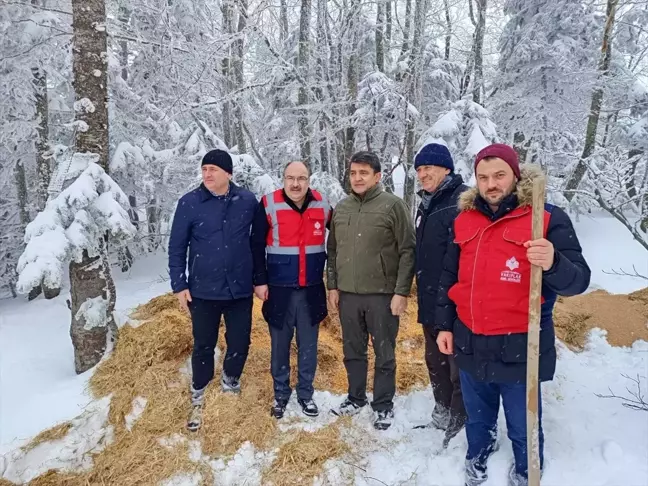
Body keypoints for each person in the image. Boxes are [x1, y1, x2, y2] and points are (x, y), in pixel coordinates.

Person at [435, 144, 591, 486]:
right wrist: (444, 325)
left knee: (523, 421)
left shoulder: (546, 218)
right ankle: (478, 452)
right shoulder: (463, 220)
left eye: (499, 175)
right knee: (477, 417)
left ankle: (526, 468)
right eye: (484, 177)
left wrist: (553, 262)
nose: (492, 184)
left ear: (515, 174)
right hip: (470, 339)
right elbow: (449, 277)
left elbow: (578, 281)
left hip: (522, 343)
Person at [168, 149, 262, 432]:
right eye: (204, 169)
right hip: (203, 291)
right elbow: (176, 247)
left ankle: (230, 382)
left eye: (213, 169)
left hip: (239, 290)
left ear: (228, 174)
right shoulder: (189, 203)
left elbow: (257, 244)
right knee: (203, 344)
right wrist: (179, 285)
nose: (207, 174)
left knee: (240, 342)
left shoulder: (247, 201)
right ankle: (199, 391)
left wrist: (259, 279)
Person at [327, 151, 416, 430]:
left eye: (363, 173)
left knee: (384, 351)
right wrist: (333, 286)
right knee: (353, 350)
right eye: (353, 173)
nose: (357, 178)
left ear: (377, 176)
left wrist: (401, 292)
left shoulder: (393, 206)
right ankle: (355, 398)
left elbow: (408, 250)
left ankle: (383, 404)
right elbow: (333, 251)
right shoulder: (341, 208)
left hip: (382, 296)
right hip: (349, 296)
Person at [250, 161, 331, 419]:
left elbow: (344, 236)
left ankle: (306, 394)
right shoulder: (268, 204)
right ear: (283, 179)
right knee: (279, 347)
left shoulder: (323, 204)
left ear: (309, 180)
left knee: (308, 347)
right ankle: (281, 394)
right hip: (278, 291)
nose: (296, 184)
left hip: (312, 290)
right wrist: (259, 281)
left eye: (302, 178)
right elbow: (255, 245)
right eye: (290, 178)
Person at [413, 143, 468, 446]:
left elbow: (460, 256)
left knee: (456, 364)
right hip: (430, 298)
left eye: (428, 168)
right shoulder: (427, 203)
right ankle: (443, 410)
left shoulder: (460, 201)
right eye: (419, 170)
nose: (422, 174)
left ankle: (460, 423)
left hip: (454, 301)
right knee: (435, 360)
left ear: (446, 168)